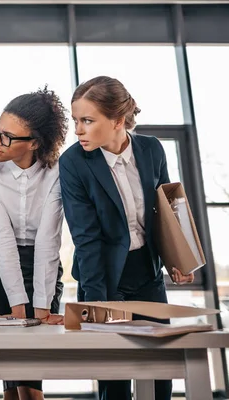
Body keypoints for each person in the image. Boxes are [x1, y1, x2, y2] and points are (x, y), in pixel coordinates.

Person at [59, 75, 194, 400]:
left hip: (148, 274)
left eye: (87, 121)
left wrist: (180, 258)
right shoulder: (74, 162)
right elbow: (86, 238)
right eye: (75, 120)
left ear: (118, 120)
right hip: (105, 277)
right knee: (115, 380)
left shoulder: (151, 149)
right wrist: (96, 303)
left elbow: (167, 208)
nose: (78, 130)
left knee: (161, 376)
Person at [0, 88, 67, 400]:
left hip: (44, 266)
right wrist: (17, 307)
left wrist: (40, 309)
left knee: (31, 379)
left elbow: (48, 241)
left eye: (7, 137)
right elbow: (0, 239)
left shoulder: (57, 171)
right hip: (3, 266)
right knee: (11, 376)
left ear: (35, 143)